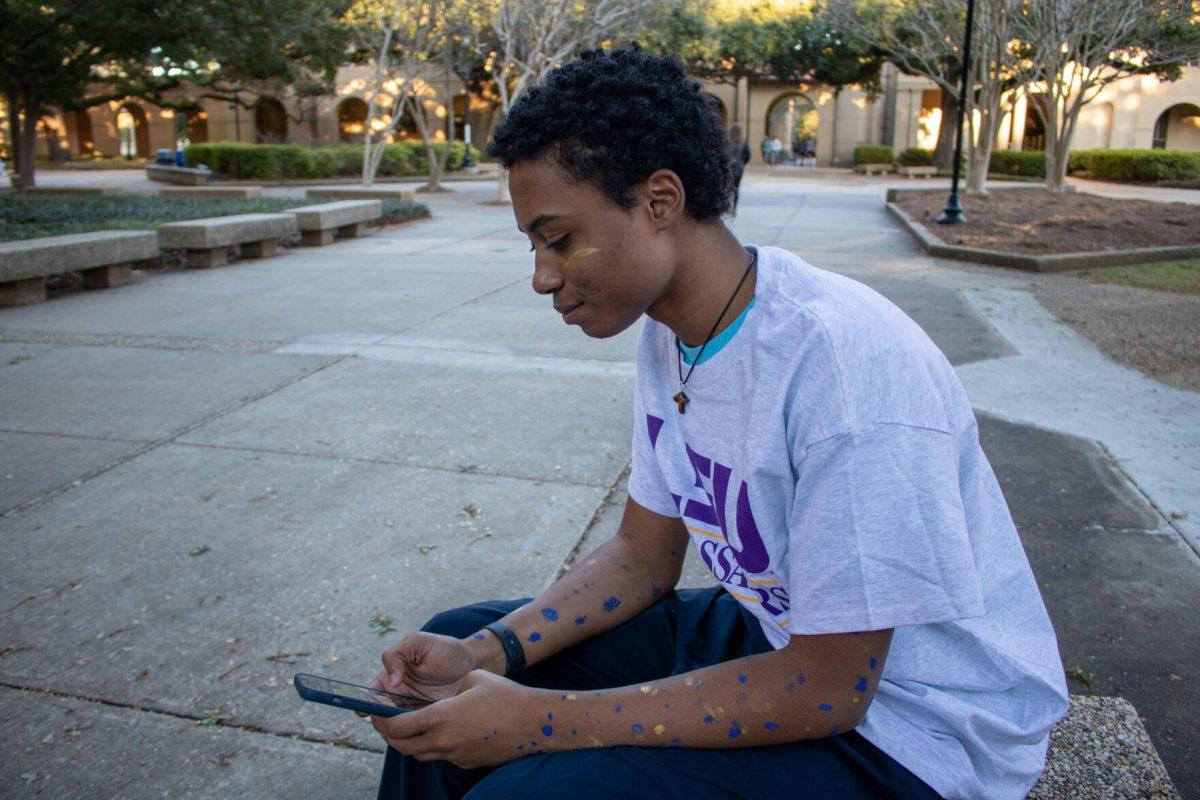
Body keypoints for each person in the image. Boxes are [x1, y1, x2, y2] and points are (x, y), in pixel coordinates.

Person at [368, 44, 1068, 800]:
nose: (541, 275)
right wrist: (489, 652)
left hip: (916, 727)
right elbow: (643, 554)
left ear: (660, 202)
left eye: (559, 238)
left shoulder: (840, 364)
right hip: (780, 632)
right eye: (534, 244)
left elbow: (831, 689)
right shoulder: (671, 334)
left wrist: (541, 721)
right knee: (452, 677)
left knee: (527, 789)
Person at [728, 122, 751, 214]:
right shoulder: (743, 142)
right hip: (739, 168)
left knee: (727, 188)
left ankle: (727, 207)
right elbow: (748, 155)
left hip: (728, 168)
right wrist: (742, 163)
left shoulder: (727, 141)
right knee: (736, 188)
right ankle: (734, 208)